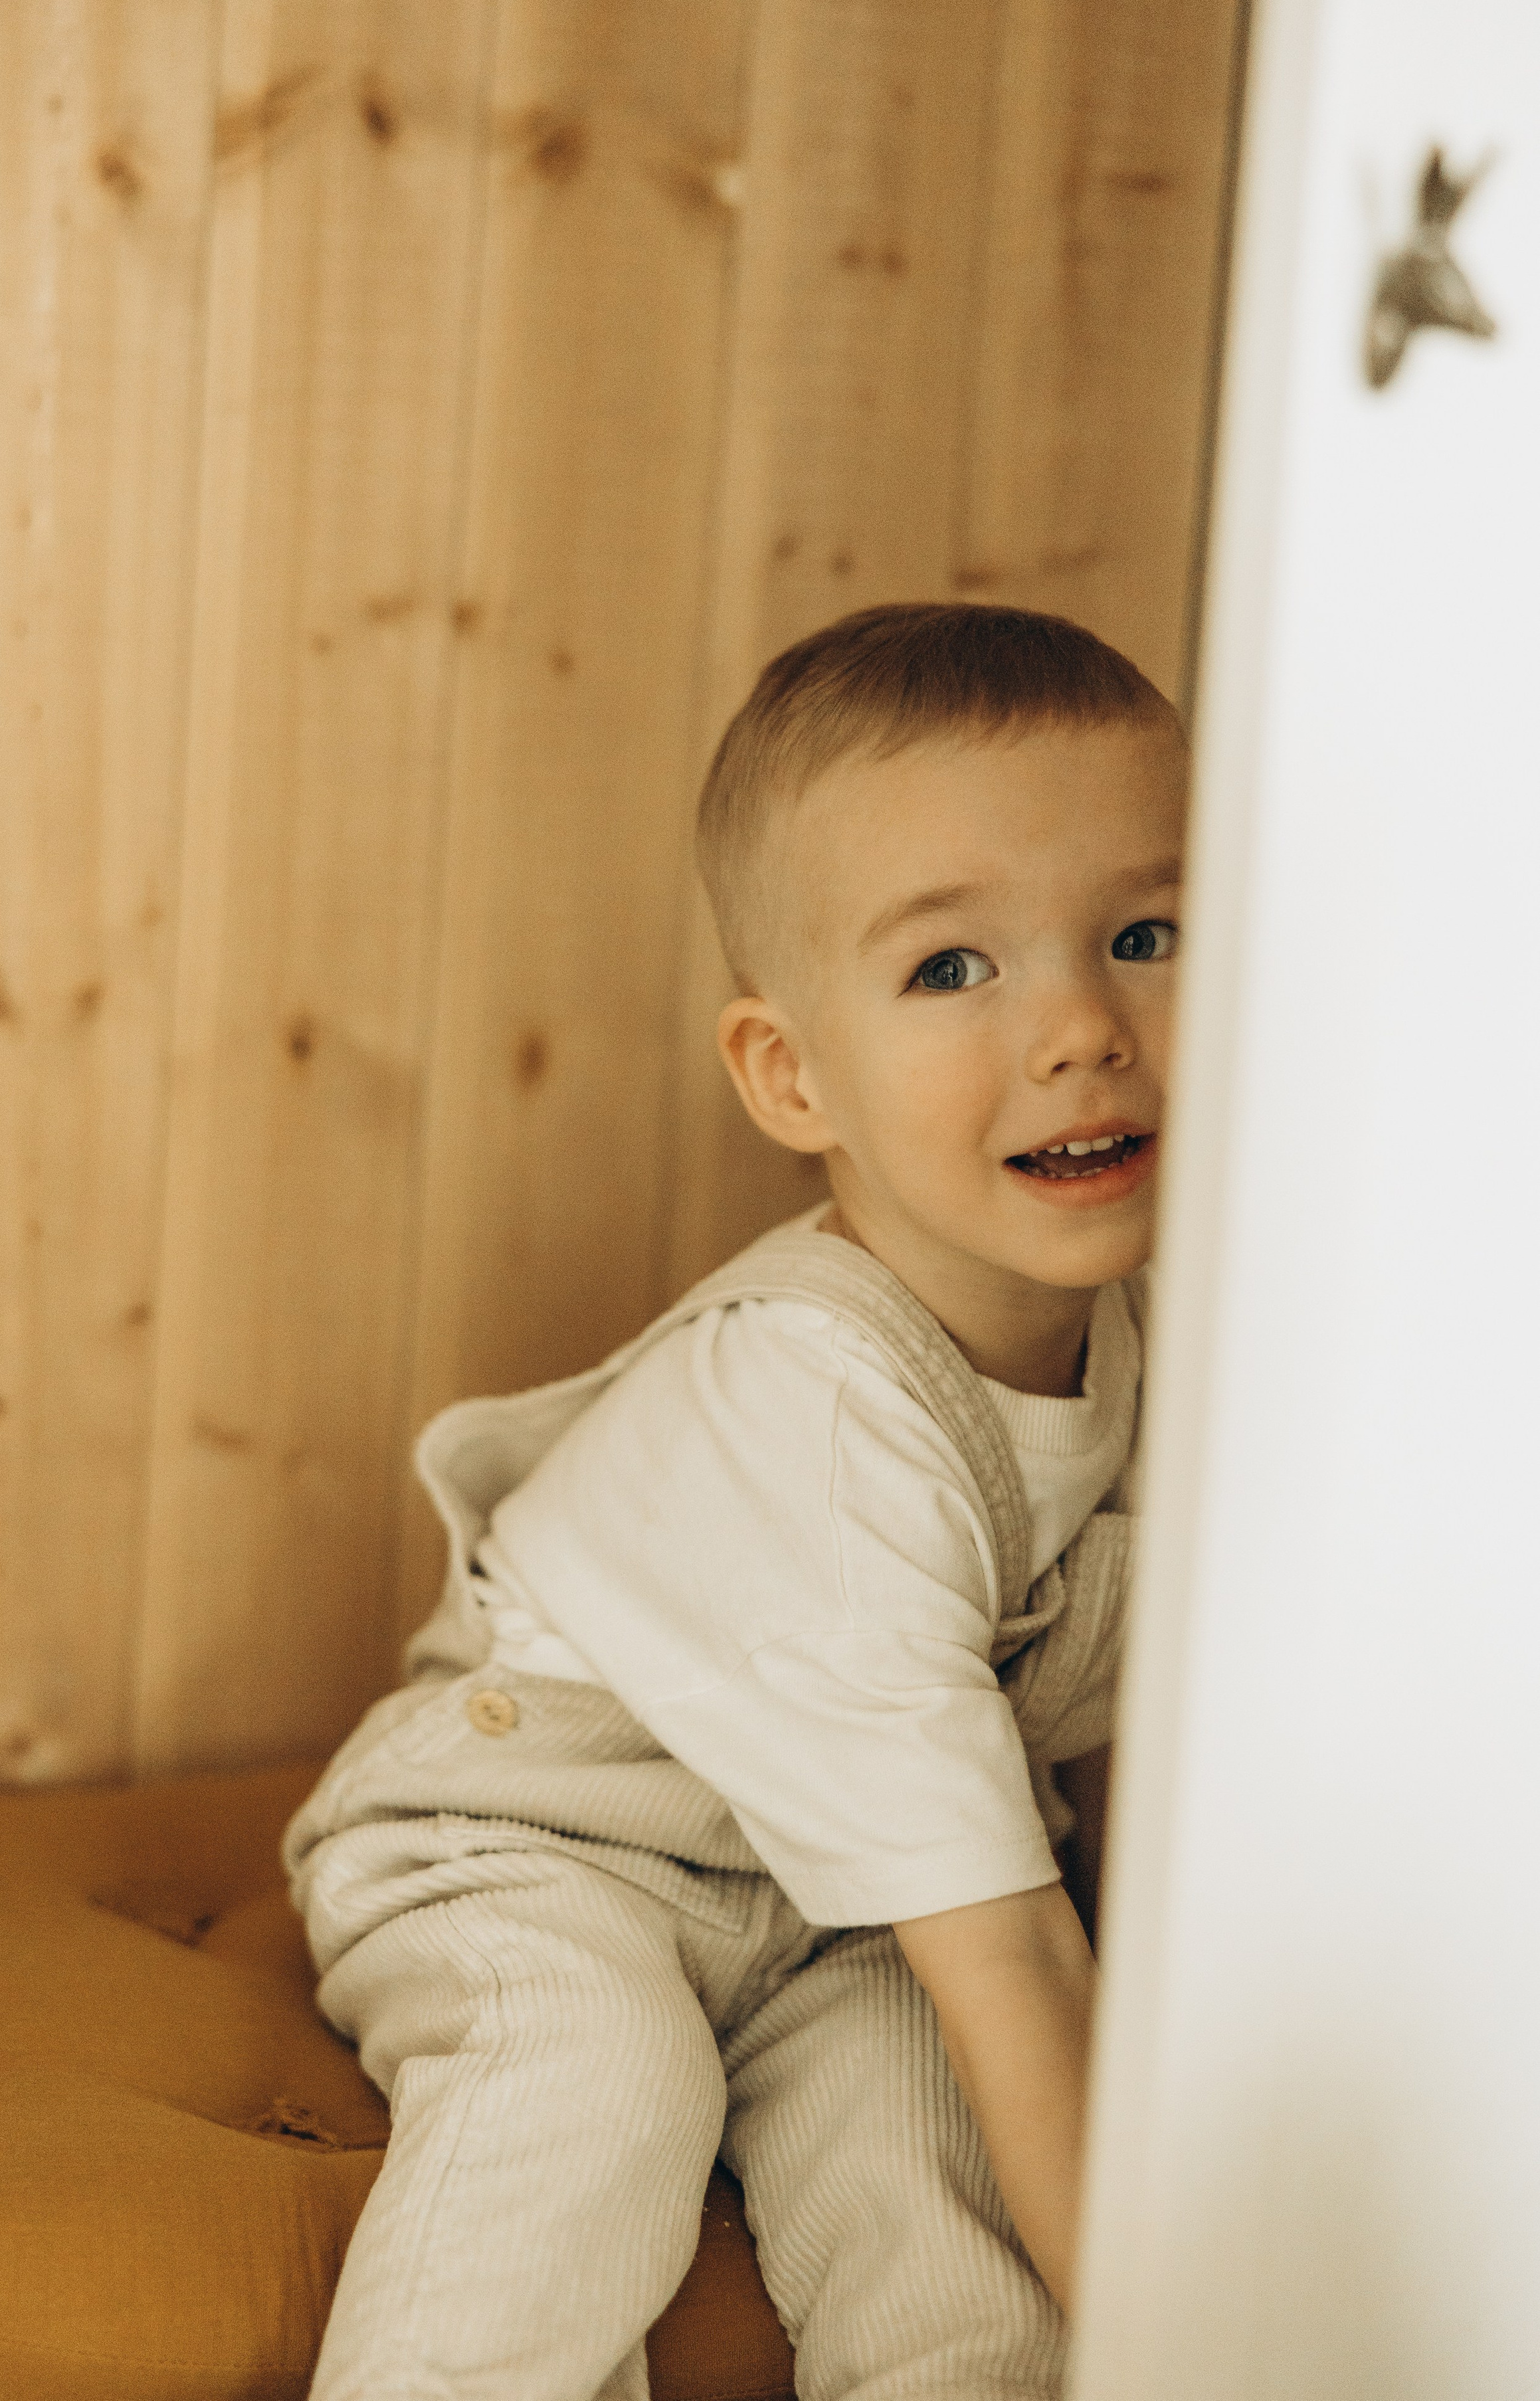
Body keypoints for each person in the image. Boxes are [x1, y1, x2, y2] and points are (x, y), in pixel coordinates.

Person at [284, 602, 1191, 2401]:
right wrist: (1195, 2347)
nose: (1083, 1027)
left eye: (1146, 934)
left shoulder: (1172, 1344)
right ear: (792, 1077)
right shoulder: (823, 1419)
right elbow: (1009, 1954)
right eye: (953, 969)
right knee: (595, 2092)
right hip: (540, 1841)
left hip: (830, 1904)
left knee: (953, 2243)